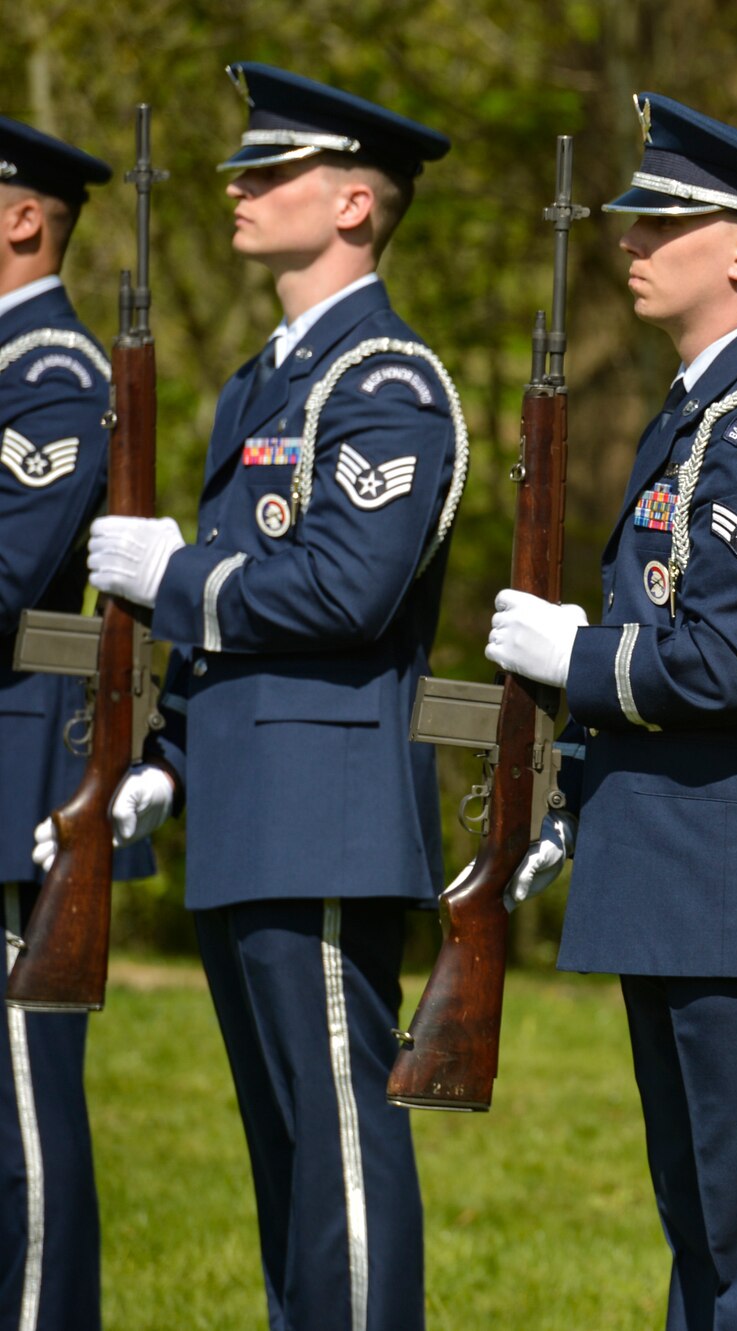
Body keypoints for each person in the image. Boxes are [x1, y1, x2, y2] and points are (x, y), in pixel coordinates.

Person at [83, 64, 460, 1331]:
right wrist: (171, 758)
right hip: (249, 803)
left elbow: (345, 591)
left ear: (355, 203)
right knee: (285, 1147)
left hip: (325, 806)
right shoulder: (266, 381)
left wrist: (173, 573)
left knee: (339, 1141)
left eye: (273, 171)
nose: (238, 188)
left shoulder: (387, 383)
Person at [481, 94, 737, 1329]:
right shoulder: (703, 408)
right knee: (700, 1229)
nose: (630, 242)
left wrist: (575, 657)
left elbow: (727, 668)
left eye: (664, 222)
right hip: (678, 862)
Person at [0, 113, 156, 1331]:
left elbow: (7, 563)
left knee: (22, 1138)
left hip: (16, 796)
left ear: (19, 217)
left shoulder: (52, 373)